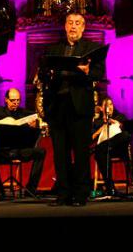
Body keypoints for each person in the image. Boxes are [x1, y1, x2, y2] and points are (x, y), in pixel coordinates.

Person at [40, 13, 105, 207]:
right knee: (60, 153)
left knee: (81, 152)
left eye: (78, 23)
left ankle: (80, 194)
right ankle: (63, 195)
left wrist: (87, 71)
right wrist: (48, 74)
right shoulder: (54, 49)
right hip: (58, 107)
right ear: (65, 26)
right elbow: (43, 74)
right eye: (70, 23)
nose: (73, 26)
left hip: (80, 107)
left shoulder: (92, 49)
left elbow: (99, 73)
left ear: (83, 27)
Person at [0, 88, 45, 199]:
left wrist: (35, 125)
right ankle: (0, 190)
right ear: (6, 100)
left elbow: (37, 118)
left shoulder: (24, 113)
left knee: (41, 152)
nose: (16, 103)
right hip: (2, 151)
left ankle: (31, 189)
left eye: (18, 100)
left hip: (19, 150)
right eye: (13, 100)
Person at [91, 96, 130, 197]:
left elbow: (127, 129)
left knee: (125, 135)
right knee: (100, 151)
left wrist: (114, 122)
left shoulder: (119, 117)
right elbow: (91, 138)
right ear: (101, 108)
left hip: (118, 148)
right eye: (106, 105)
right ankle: (110, 188)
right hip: (104, 151)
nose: (109, 107)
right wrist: (102, 127)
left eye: (111, 104)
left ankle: (104, 146)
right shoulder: (97, 122)